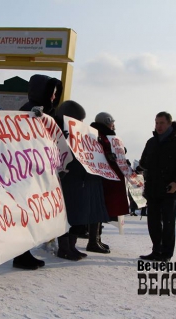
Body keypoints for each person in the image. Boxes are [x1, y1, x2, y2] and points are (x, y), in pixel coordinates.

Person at [12, 74, 63, 269]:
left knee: (31, 214)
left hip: (35, 172)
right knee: (25, 214)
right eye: (51, 92)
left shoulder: (46, 112)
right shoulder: (29, 111)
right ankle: (21, 255)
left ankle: (25, 253)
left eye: (55, 93)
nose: (53, 96)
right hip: (26, 173)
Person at [54, 100, 110, 260]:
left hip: (78, 179)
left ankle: (71, 246)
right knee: (68, 215)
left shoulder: (77, 133)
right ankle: (64, 248)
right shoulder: (59, 132)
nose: (81, 124)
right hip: (67, 179)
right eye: (79, 120)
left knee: (76, 215)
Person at [137, 112, 176, 262]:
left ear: (169, 124)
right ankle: (156, 250)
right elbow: (144, 162)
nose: (158, 126)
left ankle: (166, 253)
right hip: (153, 188)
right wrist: (135, 168)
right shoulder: (151, 142)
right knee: (153, 222)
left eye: (161, 123)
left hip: (169, 188)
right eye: (156, 123)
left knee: (168, 222)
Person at [90, 112, 129, 253]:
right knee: (98, 207)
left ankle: (97, 238)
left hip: (105, 176)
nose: (114, 125)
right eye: (112, 122)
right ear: (107, 121)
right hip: (102, 177)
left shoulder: (105, 135)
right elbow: (99, 151)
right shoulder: (100, 135)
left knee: (102, 208)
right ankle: (93, 240)